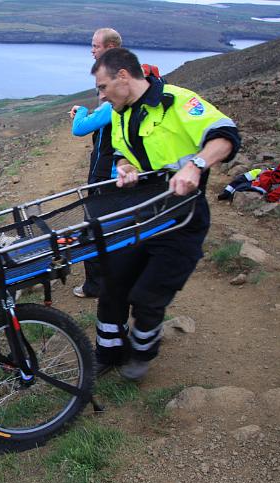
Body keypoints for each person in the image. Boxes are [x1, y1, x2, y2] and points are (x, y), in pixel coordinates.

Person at [90, 48, 240, 381]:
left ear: (124, 77)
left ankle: (142, 353)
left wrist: (196, 165)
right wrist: (124, 167)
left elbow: (226, 135)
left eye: (103, 87)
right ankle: (107, 351)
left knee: (149, 294)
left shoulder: (177, 100)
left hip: (181, 216)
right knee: (113, 284)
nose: (100, 95)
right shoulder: (119, 111)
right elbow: (120, 151)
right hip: (141, 210)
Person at [69, 28, 122, 299]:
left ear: (110, 46)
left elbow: (81, 128)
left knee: (94, 224)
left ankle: (95, 285)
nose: (92, 50)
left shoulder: (116, 88)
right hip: (114, 165)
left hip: (106, 168)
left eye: (95, 46)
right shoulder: (127, 76)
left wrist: (80, 112)